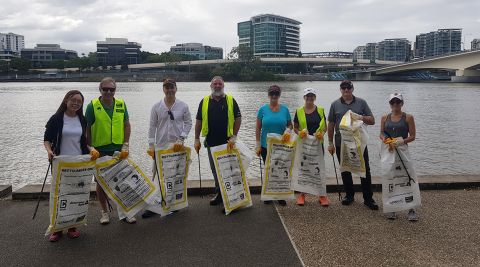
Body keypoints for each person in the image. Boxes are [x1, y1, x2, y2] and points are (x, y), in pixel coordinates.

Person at [43, 90, 99, 242]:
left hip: (79, 163)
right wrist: (49, 151)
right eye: (73, 100)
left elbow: (84, 141)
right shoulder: (56, 119)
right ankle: (57, 228)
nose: (76, 103)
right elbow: (47, 139)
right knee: (59, 195)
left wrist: (91, 149)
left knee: (76, 194)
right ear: (66, 100)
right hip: (61, 163)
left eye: (79, 102)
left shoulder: (82, 119)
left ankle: (72, 226)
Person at [85, 77, 135, 224]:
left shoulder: (121, 104)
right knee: (100, 183)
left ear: (115, 90)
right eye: (105, 89)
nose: (108, 92)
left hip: (118, 150)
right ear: (100, 90)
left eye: (111, 89)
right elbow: (86, 129)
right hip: (99, 151)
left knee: (123, 181)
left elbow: (127, 125)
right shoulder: (92, 106)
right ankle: (104, 212)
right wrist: (90, 147)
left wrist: (126, 144)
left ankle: (126, 211)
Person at [143, 78, 192, 218]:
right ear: (163, 89)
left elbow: (188, 123)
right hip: (161, 146)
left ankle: (174, 203)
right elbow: (152, 127)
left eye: (172, 87)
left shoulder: (183, 106)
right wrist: (151, 146)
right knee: (158, 175)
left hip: (177, 146)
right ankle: (155, 205)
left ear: (176, 89)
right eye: (167, 87)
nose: (169, 90)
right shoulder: (156, 107)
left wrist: (181, 138)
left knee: (176, 174)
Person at [327, 80, 379, 210]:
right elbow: (331, 125)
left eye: (348, 88)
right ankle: (349, 196)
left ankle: (368, 198)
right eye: (343, 88)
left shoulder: (362, 102)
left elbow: (372, 120)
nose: (346, 90)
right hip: (341, 143)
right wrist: (330, 143)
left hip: (359, 143)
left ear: (352, 89)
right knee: (345, 169)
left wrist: (360, 117)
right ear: (340, 90)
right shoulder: (334, 104)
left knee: (365, 169)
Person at [194, 76, 242, 208]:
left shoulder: (231, 100)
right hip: (211, 142)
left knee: (230, 169)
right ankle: (220, 194)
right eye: (215, 84)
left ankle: (233, 194)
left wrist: (234, 136)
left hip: (228, 142)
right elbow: (198, 121)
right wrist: (196, 138)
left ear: (223, 85)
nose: (217, 86)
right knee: (215, 170)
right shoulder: (204, 101)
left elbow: (238, 118)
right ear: (211, 86)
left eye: (219, 83)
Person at [380, 92, 418, 221]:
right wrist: (385, 140)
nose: (395, 104)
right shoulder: (384, 117)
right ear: (390, 104)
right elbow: (382, 133)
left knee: (407, 177)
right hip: (389, 151)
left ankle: (411, 209)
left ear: (402, 103)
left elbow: (412, 136)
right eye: (392, 102)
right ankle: (392, 208)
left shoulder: (408, 117)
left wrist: (400, 141)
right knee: (390, 178)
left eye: (398, 102)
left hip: (402, 151)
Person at [255, 85, 293, 206]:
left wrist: (288, 131)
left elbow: (290, 125)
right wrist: (257, 144)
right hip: (266, 145)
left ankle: (279, 195)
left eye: (276, 94)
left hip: (281, 146)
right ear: (268, 95)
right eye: (272, 94)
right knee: (268, 169)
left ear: (279, 95)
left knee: (279, 170)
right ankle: (268, 194)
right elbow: (258, 128)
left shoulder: (285, 110)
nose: (274, 96)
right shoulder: (262, 110)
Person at [293, 88, 329, 206]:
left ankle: (322, 195)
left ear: (315, 97)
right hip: (304, 145)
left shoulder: (320, 110)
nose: (309, 98)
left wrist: (322, 134)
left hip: (317, 145)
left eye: (312, 96)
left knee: (318, 168)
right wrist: (299, 133)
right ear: (304, 98)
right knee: (304, 170)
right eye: (307, 96)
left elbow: (325, 127)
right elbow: (295, 127)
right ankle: (302, 195)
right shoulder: (298, 111)